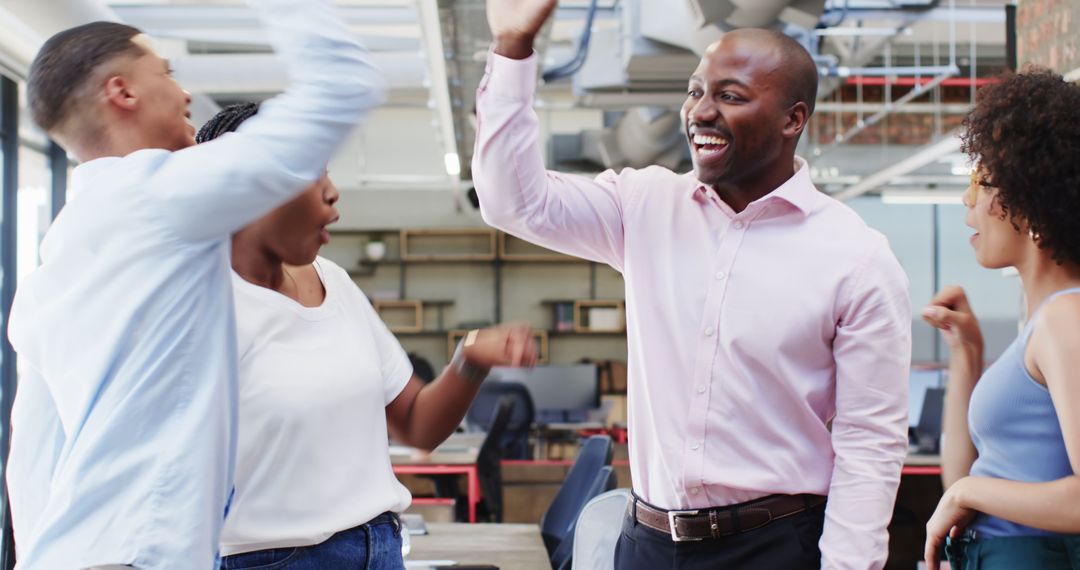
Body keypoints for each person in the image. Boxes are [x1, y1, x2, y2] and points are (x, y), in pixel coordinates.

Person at [474, 1, 912, 568]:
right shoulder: (644, 204)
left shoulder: (856, 258)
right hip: (648, 543)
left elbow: (870, 443)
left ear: (792, 119)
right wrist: (512, 48)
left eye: (730, 96)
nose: (700, 112)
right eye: (695, 91)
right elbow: (513, 202)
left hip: (774, 547)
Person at [5, 1, 384, 567]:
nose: (183, 94)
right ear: (122, 92)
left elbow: (33, 455)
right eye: (167, 72)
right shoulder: (156, 195)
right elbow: (342, 87)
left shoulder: (62, 252)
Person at [194, 103, 538, 568]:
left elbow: (418, 425)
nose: (332, 193)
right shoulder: (203, 308)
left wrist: (470, 357)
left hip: (379, 547)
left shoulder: (334, 281)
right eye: (312, 175)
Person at [921, 69, 1080, 570]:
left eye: (982, 183)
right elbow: (960, 482)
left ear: (1028, 203)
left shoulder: (1065, 320)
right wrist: (967, 354)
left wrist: (969, 491)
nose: (970, 205)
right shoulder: (1042, 323)